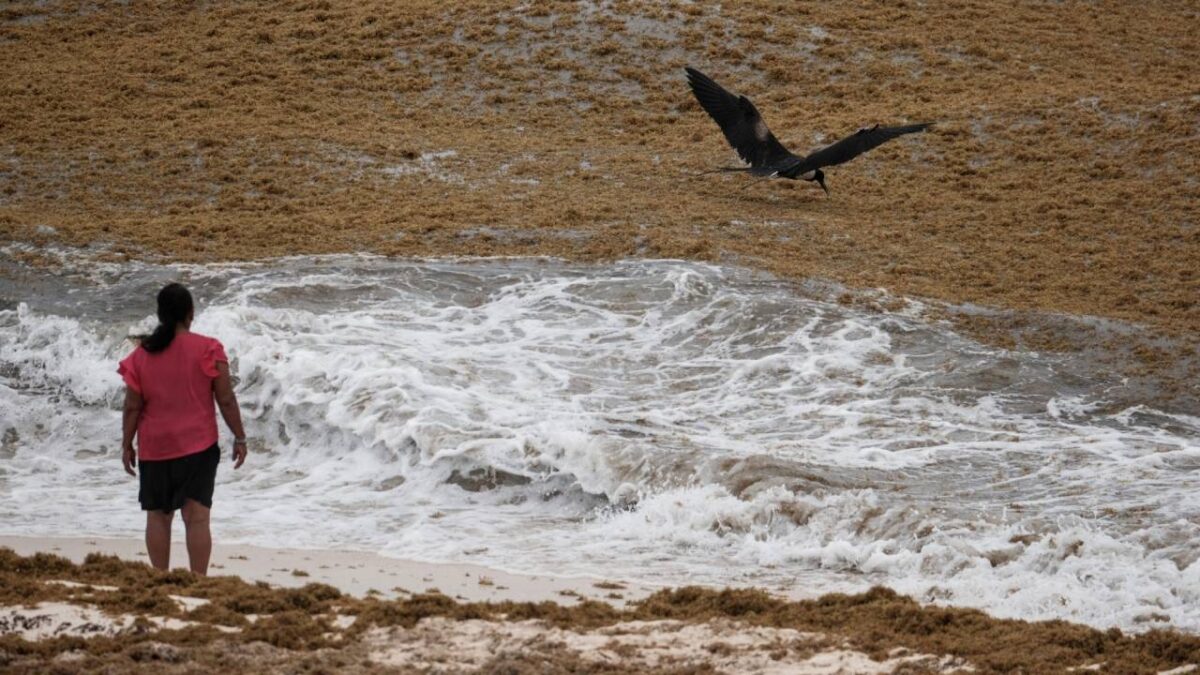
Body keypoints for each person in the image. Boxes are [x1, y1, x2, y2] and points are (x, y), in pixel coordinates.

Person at [117, 282, 248, 575]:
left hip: (155, 448)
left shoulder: (139, 356)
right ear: (190, 313)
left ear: (160, 315)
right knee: (197, 518)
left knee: (158, 517)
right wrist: (239, 437)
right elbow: (226, 400)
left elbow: (132, 407)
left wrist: (127, 444)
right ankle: (198, 581)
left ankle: (160, 580)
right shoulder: (209, 349)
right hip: (198, 448)